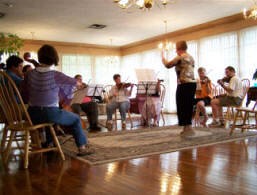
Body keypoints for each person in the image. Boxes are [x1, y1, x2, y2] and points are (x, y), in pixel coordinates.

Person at [21, 44, 94, 156]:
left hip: (31, 114)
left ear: (40, 57)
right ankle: (82, 148)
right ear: (54, 59)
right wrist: (80, 84)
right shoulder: (56, 75)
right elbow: (75, 82)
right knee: (75, 119)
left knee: (51, 117)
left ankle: (50, 142)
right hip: (50, 113)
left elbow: (26, 93)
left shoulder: (29, 74)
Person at [162, 40, 196, 136]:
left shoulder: (180, 57)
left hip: (184, 84)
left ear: (178, 49)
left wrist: (162, 57)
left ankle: (188, 128)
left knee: (182, 105)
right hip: (192, 84)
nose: (175, 51)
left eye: (176, 49)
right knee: (188, 105)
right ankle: (187, 127)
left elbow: (168, 65)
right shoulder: (191, 57)